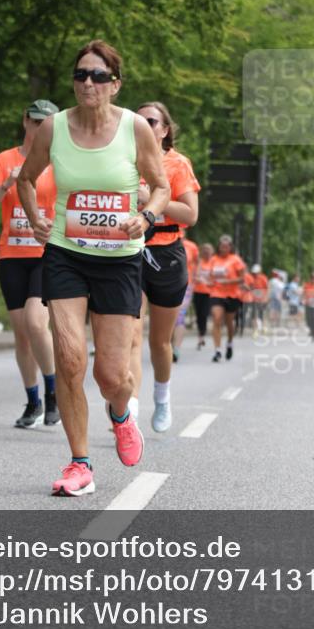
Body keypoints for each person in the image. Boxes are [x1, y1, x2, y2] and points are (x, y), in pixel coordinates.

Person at [17, 40, 170, 497]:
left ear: (114, 84)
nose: (88, 82)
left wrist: (144, 217)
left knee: (111, 376)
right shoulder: (53, 128)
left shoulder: (136, 128)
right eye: (81, 74)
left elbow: (160, 187)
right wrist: (34, 217)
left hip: (120, 260)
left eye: (98, 76)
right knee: (69, 359)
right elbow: (26, 178)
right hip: (66, 252)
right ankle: (79, 463)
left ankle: (121, 415)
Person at [0, 100, 60, 428]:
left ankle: (53, 392)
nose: (40, 128)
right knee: (22, 335)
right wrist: (5, 184)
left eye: (47, 123)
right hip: (12, 256)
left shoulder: (60, 161)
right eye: (36, 122)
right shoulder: (5, 159)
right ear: (25, 121)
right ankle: (33, 401)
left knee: (36, 323)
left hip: (47, 255)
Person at [128, 102, 200, 431]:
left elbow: (190, 215)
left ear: (164, 129)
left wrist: (151, 202)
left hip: (167, 252)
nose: (143, 124)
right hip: (128, 250)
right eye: (138, 120)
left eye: (151, 121)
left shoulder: (177, 163)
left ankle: (162, 397)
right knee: (130, 333)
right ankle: (130, 407)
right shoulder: (124, 159)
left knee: (159, 341)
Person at [209, 235, 246, 362]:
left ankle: (230, 343)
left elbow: (242, 278)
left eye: (226, 246)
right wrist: (210, 281)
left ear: (230, 247)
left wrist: (229, 281)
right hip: (216, 293)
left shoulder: (236, 260)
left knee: (230, 323)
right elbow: (210, 276)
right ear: (218, 247)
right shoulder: (214, 259)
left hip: (232, 294)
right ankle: (217, 350)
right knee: (217, 318)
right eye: (221, 246)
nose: (223, 248)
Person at [171, 232, 199, 362]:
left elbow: (197, 264)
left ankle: (176, 348)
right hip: (166, 283)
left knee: (179, 316)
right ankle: (167, 345)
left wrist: (194, 279)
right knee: (169, 316)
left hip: (186, 284)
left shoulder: (191, 247)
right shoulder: (165, 241)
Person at [193, 243, 214, 349]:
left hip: (209, 293)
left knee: (204, 314)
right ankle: (200, 335)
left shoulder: (214, 262)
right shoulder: (199, 262)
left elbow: (216, 278)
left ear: (212, 251)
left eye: (208, 249)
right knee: (199, 315)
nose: (206, 251)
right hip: (198, 291)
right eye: (204, 249)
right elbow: (195, 276)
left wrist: (208, 282)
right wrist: (199, 279)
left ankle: (202, 335)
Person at [250, 263, 269, 337]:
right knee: (254, 314)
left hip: (262, 298)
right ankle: (255, 330)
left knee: (262, 314)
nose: (255, 274)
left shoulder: (263, 278)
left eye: (256, 273)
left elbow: (267, 288)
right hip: (254, 299)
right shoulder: (252, 278)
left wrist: (266, 298)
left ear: (259, 272)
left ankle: (264, 327)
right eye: (254, 273)